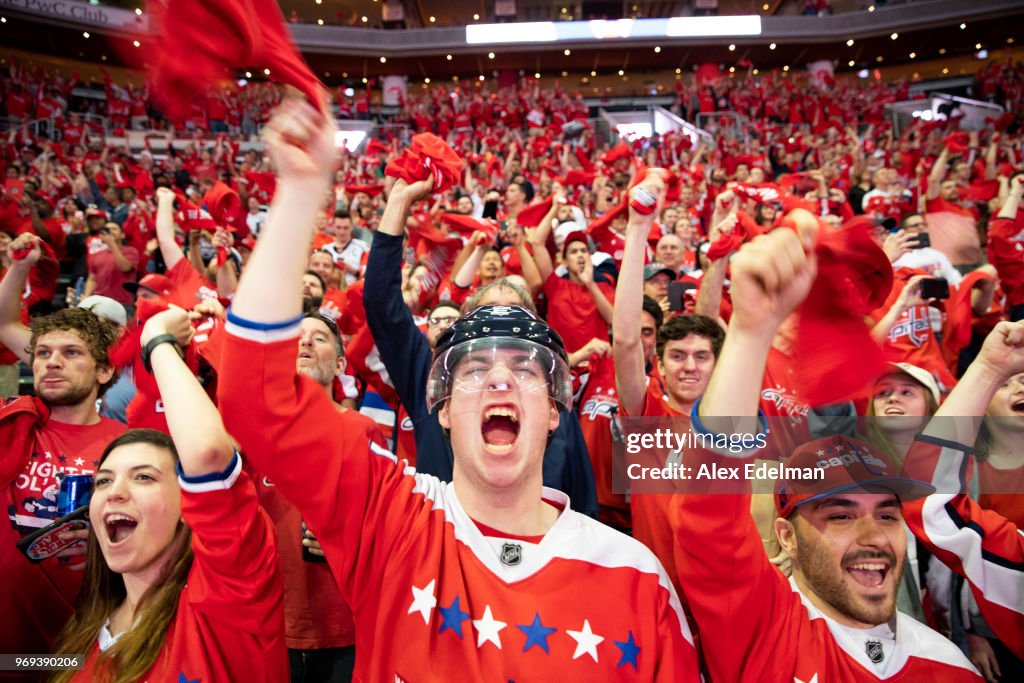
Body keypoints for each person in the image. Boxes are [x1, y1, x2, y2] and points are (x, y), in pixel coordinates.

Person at [217, 99, 697, 679]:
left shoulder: (636, 575)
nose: (498, 377)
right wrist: (298, 192)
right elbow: (253, 396)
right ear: (440, 410)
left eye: (524, 368)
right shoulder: (388, 516)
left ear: (553, 413)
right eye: (473, 369)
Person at [673, 210, 981, 681]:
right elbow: (707, 509)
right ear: (788, 538)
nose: (873, 534)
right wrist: (752, 329)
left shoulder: (952, 668)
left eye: (887, 514)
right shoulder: (764, 630)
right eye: (839, 515)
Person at [51, 305, 287, 681]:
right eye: (104, 480)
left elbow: (209, 450)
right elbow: (44, 666)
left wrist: (156, 338)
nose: (115, 492)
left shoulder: (229, 599)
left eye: (143, 477)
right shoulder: (91, 623)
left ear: (189, 503)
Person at [363, 162, 597, 515]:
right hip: (443, 557)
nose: (500, 333)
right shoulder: (431, 384)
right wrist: (397, 203)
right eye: (486, 324)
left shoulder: (556, 410)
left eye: (516, 325)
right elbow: (383, 304)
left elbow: (584, 513)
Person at [253, 311, 385, 682]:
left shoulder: (364, 432)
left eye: (319, 337)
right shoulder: (254, 430)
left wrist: (348, 544)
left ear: (341, 364)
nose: (306, 341)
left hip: (343, 623)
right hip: (270, 622)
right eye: (298, 337)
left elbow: (385, 522)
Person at [0, 297, 125, 669]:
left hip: (81, 642)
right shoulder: (10, 422)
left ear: (103, 370)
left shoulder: (130, 447)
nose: (52, 362)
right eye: (42, 353)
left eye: (71, 352)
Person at [900, 320, 1024, 672]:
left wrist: (990, 370)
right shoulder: (968, 472)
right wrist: (971, 631)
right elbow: (930, 501)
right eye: (1006, 384)